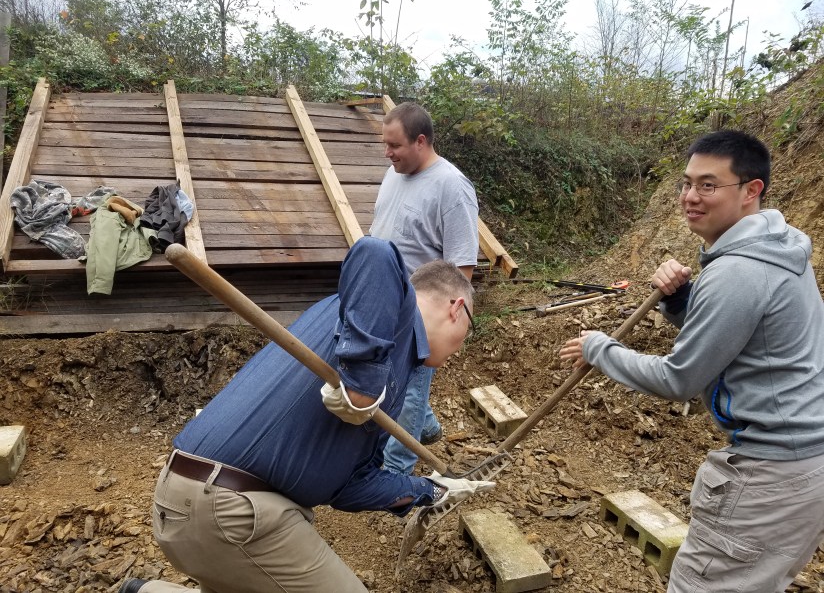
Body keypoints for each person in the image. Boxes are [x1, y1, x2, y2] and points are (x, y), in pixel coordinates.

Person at [117, 237, 494, 593]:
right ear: (456, 308)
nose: (459, 350)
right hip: (229, 507)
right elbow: (373, 252)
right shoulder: (393, 311)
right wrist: (363, 381)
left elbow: (349, 487)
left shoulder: (371, 336)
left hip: (188, 500)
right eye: (470, 331)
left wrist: (427, 490)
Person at [559, 130, 824, 593]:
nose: (689, 197)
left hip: (770, 476)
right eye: (686, 183)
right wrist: (682, 302)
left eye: (708, 185)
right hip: (802, 468)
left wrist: (599, 349)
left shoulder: (739, 272)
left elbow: (679, 378)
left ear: (750, 190)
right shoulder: (778, 250)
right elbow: (737, 340)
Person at [370, 101, 480, 475]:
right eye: (385, 145)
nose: (388, 153)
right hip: (383, 301)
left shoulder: (451, 187)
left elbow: (461, 267)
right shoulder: (394, 174)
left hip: (419, 312)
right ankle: (426, 426)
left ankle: (396, 467)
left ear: (421, 141)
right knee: (393, 380)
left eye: (394, 146)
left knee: (411, 388)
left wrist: (445, 322)